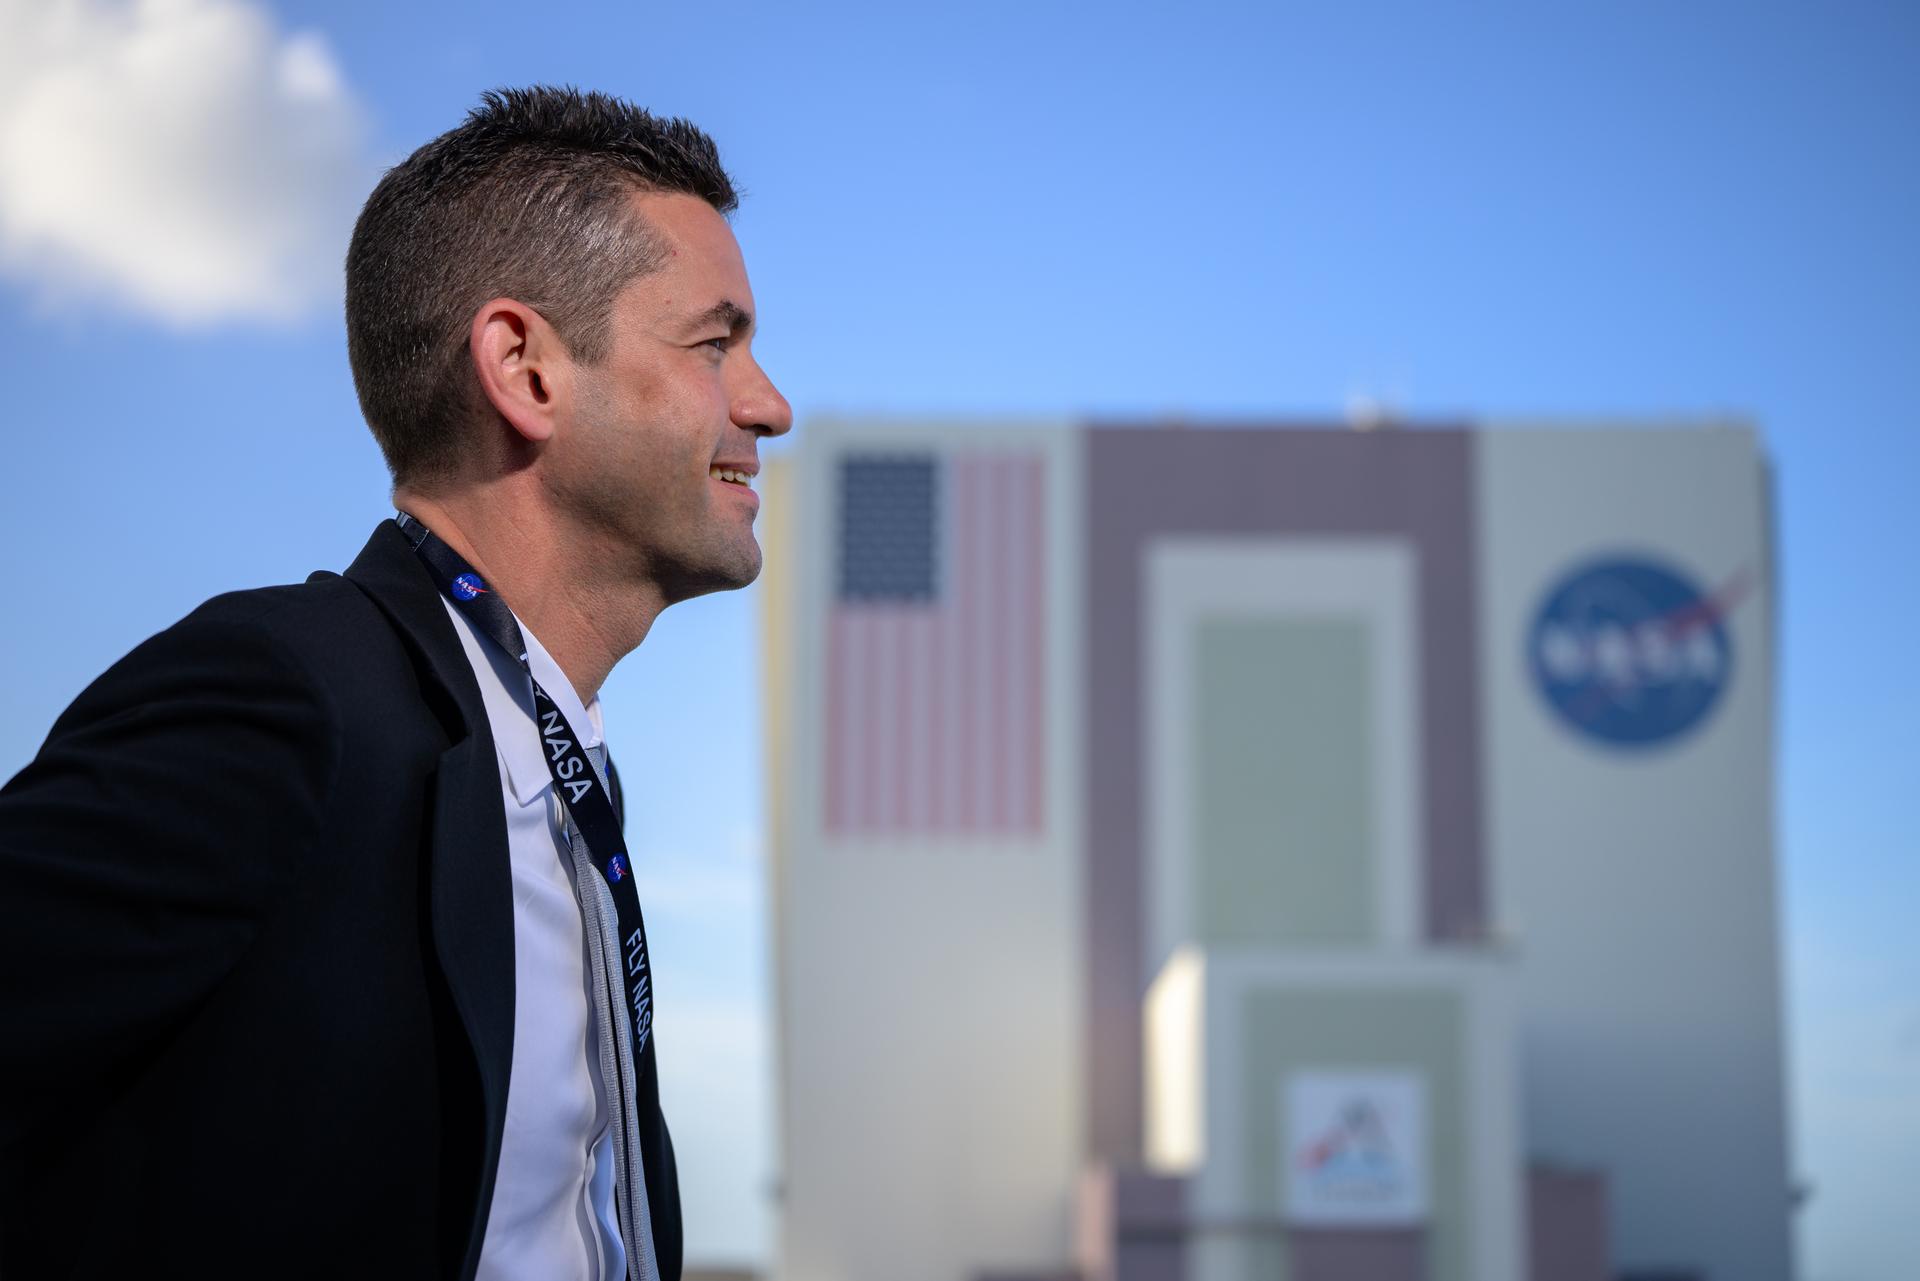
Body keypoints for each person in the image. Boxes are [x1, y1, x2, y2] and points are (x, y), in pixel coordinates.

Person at [0, 85, 790, 1280]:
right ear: (525, 369)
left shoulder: (564, 774)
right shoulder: (289, 702)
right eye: (713, 342)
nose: (767, 405)